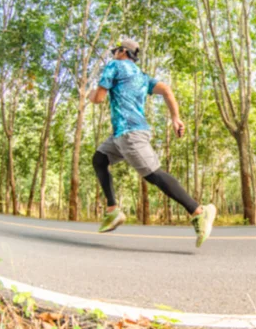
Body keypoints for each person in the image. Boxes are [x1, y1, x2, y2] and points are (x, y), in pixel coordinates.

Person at [88, 39, 216, 247]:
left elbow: (99, 98)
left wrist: (89, 93)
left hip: (130, 133)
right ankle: (113, 210)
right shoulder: (141, 76)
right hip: (122, 134)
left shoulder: (114, 66)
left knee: (153, 174)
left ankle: (199, 211)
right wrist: (176, 118)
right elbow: (166, 90)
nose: (113, 55)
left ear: (122, 52)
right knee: (99, 159)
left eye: (115, 51)